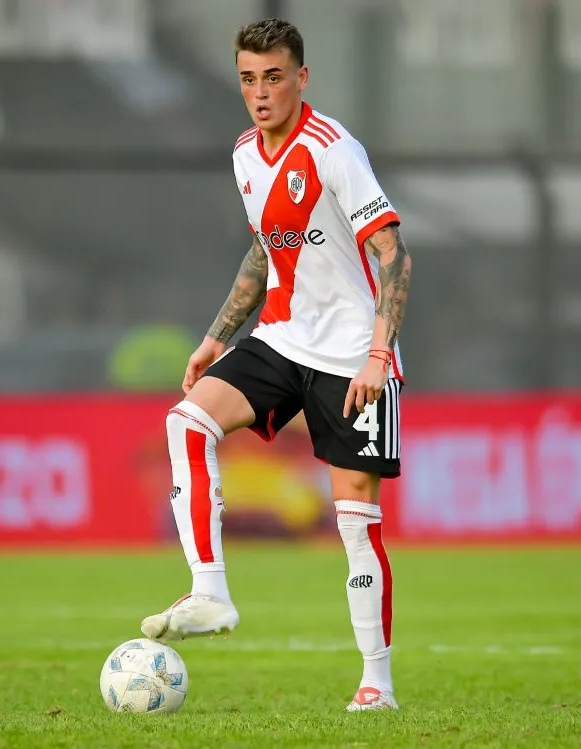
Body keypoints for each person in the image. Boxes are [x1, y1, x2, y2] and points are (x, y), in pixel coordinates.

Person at [140, 17, 412, 712]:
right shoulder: (243, 155)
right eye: (248, 79)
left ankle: (376, 681)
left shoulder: (332, 149)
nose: (260, 93)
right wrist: (216, 336)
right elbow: (265, 248)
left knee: (355, 520)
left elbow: (393, 255)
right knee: (186, 420)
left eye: (273, 77)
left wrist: (379, 354)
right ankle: (210, 591)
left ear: (301, 78)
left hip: (353, 354)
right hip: (282, 338)